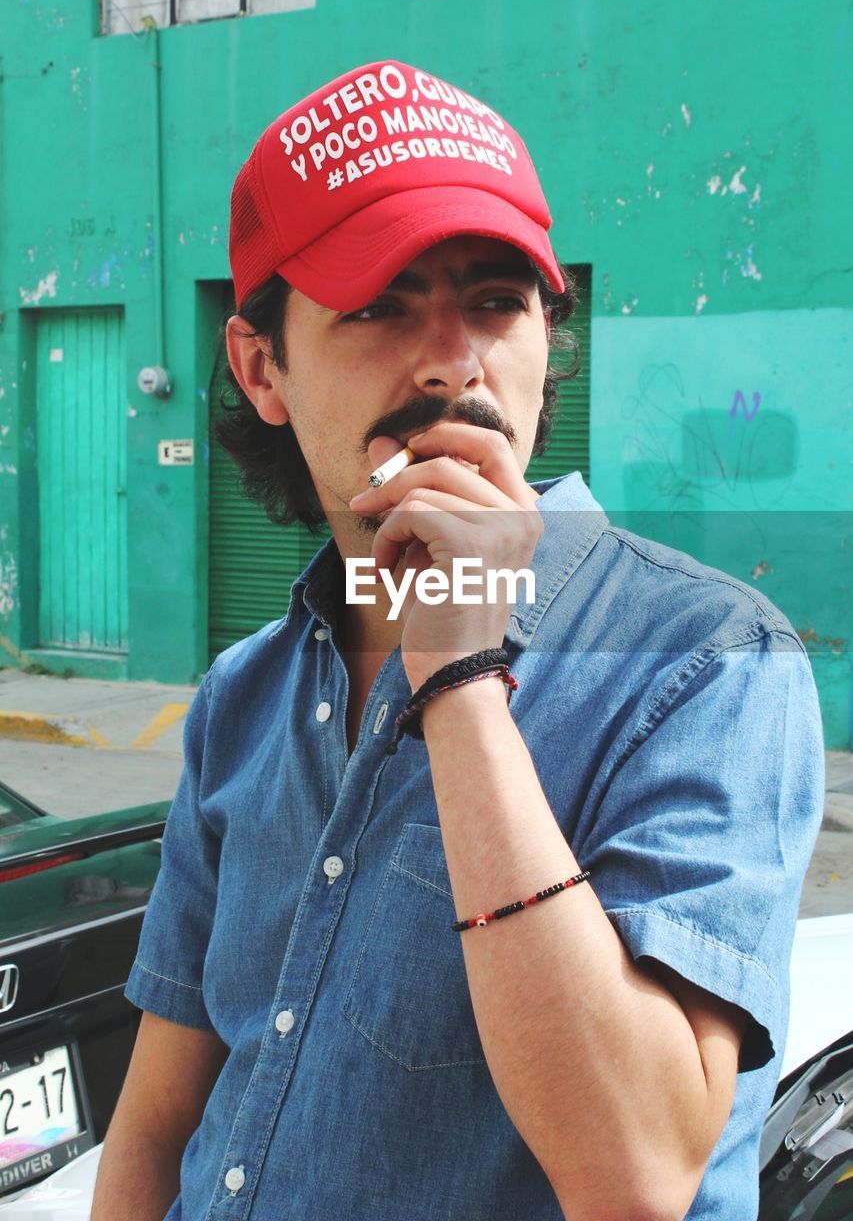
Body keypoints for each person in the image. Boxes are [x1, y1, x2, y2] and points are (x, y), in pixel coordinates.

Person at [92, 60, 823, 1221]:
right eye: (379, 304)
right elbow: (162, 1119)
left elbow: (632, 1174)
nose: (451, 359)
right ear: (259, 366)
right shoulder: (245, 693)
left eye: (494, 301)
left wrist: (464, 676)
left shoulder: (708, 660)